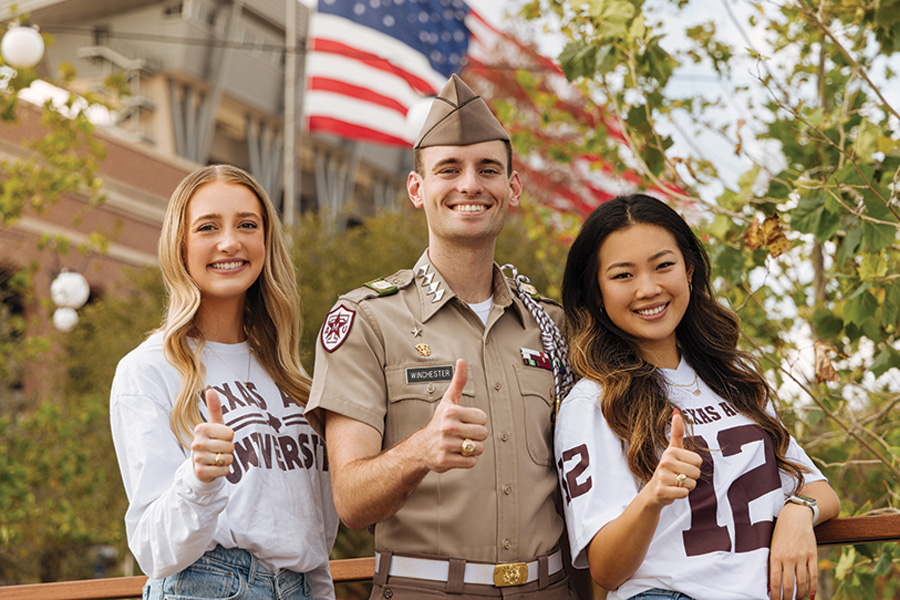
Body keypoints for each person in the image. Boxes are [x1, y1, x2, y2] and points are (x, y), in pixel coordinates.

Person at [305, 74, 580, 599]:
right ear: (417, 189)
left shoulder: (554, 325)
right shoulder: (366, 321)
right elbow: (351, 501)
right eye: (448, 170)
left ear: (513, 189)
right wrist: (420, 451)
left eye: (488, 170)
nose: (470, 185)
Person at [555, 193, 840, 600]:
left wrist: (798, 511)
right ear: (596, 293)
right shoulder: (592, 402)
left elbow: (820, 489)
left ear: (689, 270)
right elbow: (605, 569)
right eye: (623, 275)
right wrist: (652, 496)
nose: (648, 289)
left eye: (663, 266)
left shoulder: (735, 379)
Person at [110, 165, 339, 600]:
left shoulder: (294, 380)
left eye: (247, 225)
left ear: (266, 242)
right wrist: (198, 479)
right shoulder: (149, 370)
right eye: (208, 227)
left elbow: (314, 531)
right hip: (204, 586)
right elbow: (153, 550)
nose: (230, 242)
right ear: (180, 245)